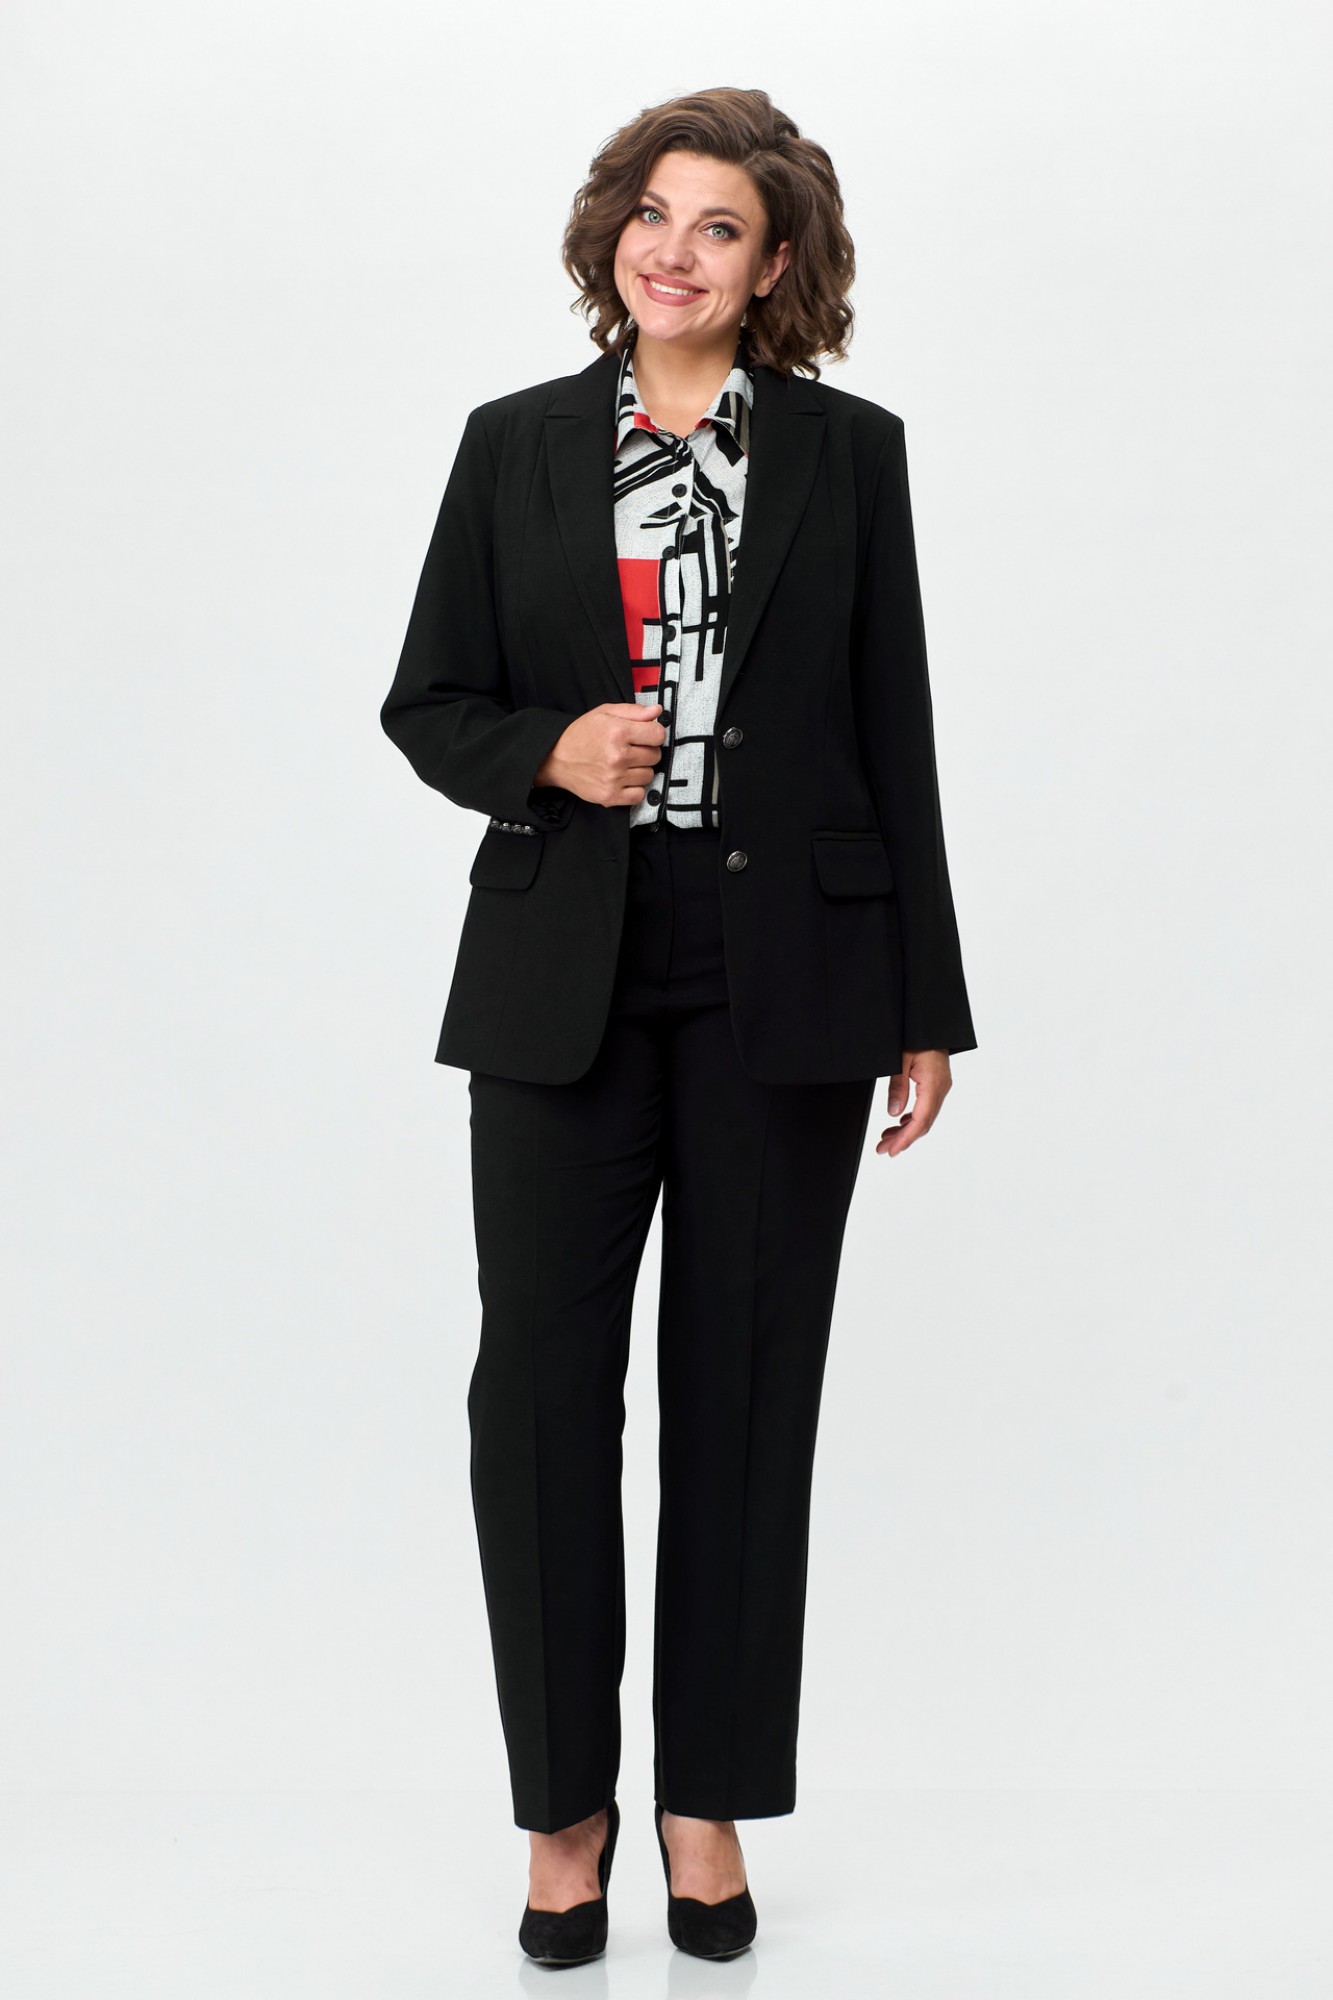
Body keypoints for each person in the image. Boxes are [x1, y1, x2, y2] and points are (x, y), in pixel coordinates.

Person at [379, 85, 977, 1966]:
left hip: (784, 985)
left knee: (743, 1398)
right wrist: (546, 751)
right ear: (610, 235)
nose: (674, 249)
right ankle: (563, 1814)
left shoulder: (849, 457)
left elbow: (893, 730)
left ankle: (703, 1804)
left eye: (719, 225)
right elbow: (427, 701)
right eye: (652, 213)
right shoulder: (514, 446)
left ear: (774, 262)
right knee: (539, 1402)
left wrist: (925, 1003)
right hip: (558, 976)